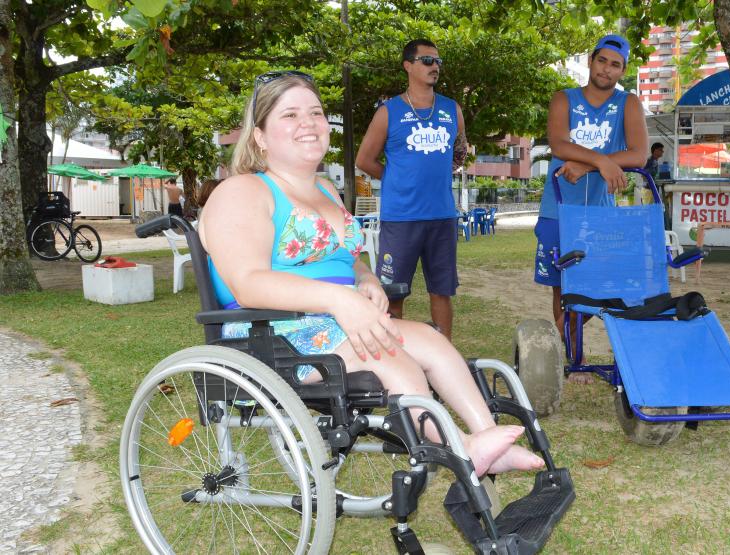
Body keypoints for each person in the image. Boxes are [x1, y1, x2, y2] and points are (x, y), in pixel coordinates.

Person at [200, 71, 542, 477]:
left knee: (432, 341)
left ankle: (488, 438)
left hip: (333, 319)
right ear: (259, 135)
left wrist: (365, 279)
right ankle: (463, 449)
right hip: (273, 332)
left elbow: (346, 257)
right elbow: (248, 282)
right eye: (289, 115)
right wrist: (339, 299)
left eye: (315, 112)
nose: (308, 123)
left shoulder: (325, 189)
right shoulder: (242, 191)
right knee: (388, 356)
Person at [534, 34, 649, 384]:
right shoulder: (564, 98)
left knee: (605, 285)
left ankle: (552, 342)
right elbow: (558, 145)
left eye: (615, 64)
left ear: (622, 70)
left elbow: (639, 155)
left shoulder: (628, 103)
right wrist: (601, 161)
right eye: (602, 61)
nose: (607, 69)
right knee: (563, 287)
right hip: (558, 207)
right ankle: (575, 358)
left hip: (601, 212)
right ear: (591, 61)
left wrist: (586, 164)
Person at [356, 39, 466, 341]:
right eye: (427, 60)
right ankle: (394, 355)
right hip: (401, 219)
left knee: (441, 292)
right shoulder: (388, 112)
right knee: (393, 294)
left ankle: (445, 352)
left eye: (438, 61)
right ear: (408, 65)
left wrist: (436, 175)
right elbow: (364, 160)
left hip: (442, 216)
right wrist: (397, 179)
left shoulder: (452, 109)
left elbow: (460, 152)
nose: (435, 66)